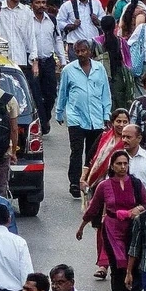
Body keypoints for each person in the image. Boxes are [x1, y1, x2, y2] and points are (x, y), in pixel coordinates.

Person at [57, 40, 112, 200]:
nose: (81, 54)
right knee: (76, 151)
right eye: (78, 51)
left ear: (89, 52)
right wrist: (59, 112)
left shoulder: (99, 69)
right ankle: (74, 183)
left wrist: (106, 114)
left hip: (96, 118)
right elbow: (63, 92)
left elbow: (105, 93)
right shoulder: (68, 70)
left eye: (83, 51)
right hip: (76, 118)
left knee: (92, 152)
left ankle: (89, 180)